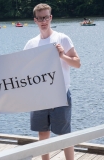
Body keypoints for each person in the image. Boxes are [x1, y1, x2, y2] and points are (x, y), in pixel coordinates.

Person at [23, 3, 81, 160]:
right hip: (39, 97)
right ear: (35, 20)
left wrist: (62, 55)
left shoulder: (62, 38)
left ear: (51, 17)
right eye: (40, 18)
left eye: (46, 17)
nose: (44, 21)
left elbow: (77, 63)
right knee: (42, 134)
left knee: (64, 135)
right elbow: (22, 70)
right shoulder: (31, 44)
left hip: (60, 95)